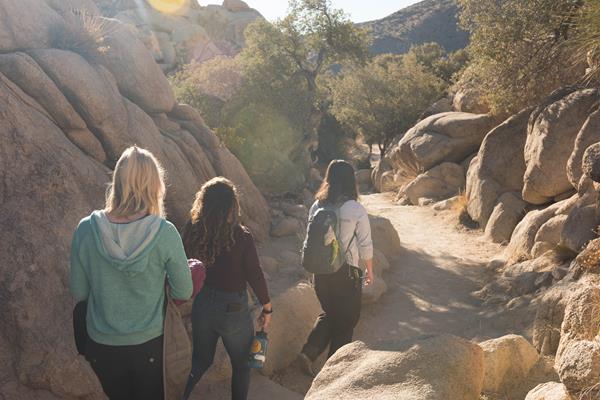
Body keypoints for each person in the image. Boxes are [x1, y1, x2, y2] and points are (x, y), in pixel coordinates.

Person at [69, 146, 193, 400]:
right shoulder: (164, 232)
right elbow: (184, 290)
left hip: (101, 345)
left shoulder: (85, 229)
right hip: (149, 343)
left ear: (117, 182)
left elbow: (79, 293)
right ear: (154, 185)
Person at [181, 177, 272, 400]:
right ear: (232, 204)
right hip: (233, 309)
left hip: (202, 304)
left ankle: (179, 395)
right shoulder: (240, 235)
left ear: (203, 202)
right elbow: (254, 273)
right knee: (241, 365)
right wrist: (267, 306)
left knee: (200, 361)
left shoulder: (192, 231)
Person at [296, 159, 373, 376]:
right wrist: (369, 270)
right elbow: (366, 243)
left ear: (328, 178)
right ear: (351, 180)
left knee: (331, 313)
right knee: (347, 320)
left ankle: (309, 353)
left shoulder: (316, 205)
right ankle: (333, 374)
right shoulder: (354, 208)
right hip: (346, 271)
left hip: (320, 271)